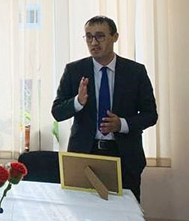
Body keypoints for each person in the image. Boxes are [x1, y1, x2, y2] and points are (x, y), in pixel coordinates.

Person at [51, 15, 157, 201]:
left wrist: (122, 124)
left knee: (125, 211)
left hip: (124, 156)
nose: (94, 42)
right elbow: (57, 112)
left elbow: (150, 115)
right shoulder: (74, 70)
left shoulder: (135, 72)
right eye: (88, 37)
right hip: (85, 154)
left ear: (115, 37)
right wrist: (78, 102)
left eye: (100, 36)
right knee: (83, 209)